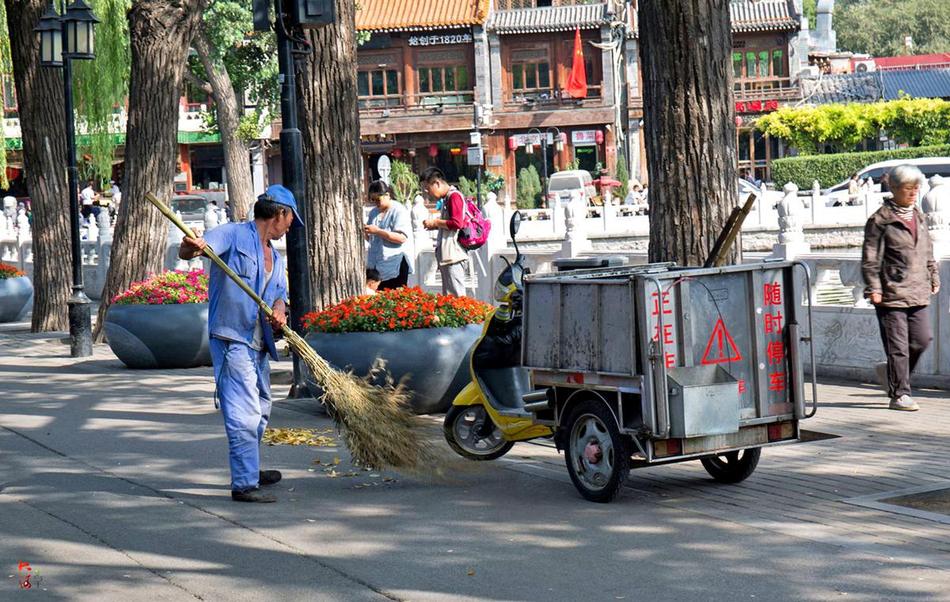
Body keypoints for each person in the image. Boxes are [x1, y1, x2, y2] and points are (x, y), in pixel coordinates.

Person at [177, 184, 300, 502]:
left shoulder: (275, 256)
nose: (290, 227)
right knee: (243, 412)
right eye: (290, 219)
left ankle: (250, 465)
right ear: (279, 213)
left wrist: (278, 310)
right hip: (233, 340)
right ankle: (244, 483)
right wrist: (192, 246)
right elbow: (191, 251)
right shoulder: (231, 234)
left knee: (260, 408)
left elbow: (279, 297)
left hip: (258, 344)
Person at [862, 164, 939, 412]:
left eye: (917, 187)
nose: (914, 192)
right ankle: (900, 394)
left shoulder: (918, 216)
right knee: (898, 347)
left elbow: (927, 250)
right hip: (890, 292)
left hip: (917, 289)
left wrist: (933, 275)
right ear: (894, 188)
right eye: (909, 188)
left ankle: (891, 373)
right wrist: (874, 288)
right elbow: (870, 258)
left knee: (922, 340)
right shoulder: (879, 220)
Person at [421, 167, 467, 296]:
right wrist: (435, 225)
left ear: (437, 183)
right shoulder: (447, 198)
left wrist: (436, 222)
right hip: (448, 256)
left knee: (457, 297)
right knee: (450, 297)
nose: (427, 192)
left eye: (427, 188)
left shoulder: (454, 197)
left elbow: (457, 223)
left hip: (454, 256)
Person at [364, 180, 413, 290]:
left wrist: (378, 231)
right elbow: (372, 239)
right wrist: (366, 232)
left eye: (378, 199)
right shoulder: (373, 213)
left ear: (387, 195)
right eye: (373, 200)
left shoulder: (398, 210)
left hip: (395, 263)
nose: (376, 203)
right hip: (376, 266)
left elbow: (401, 238)